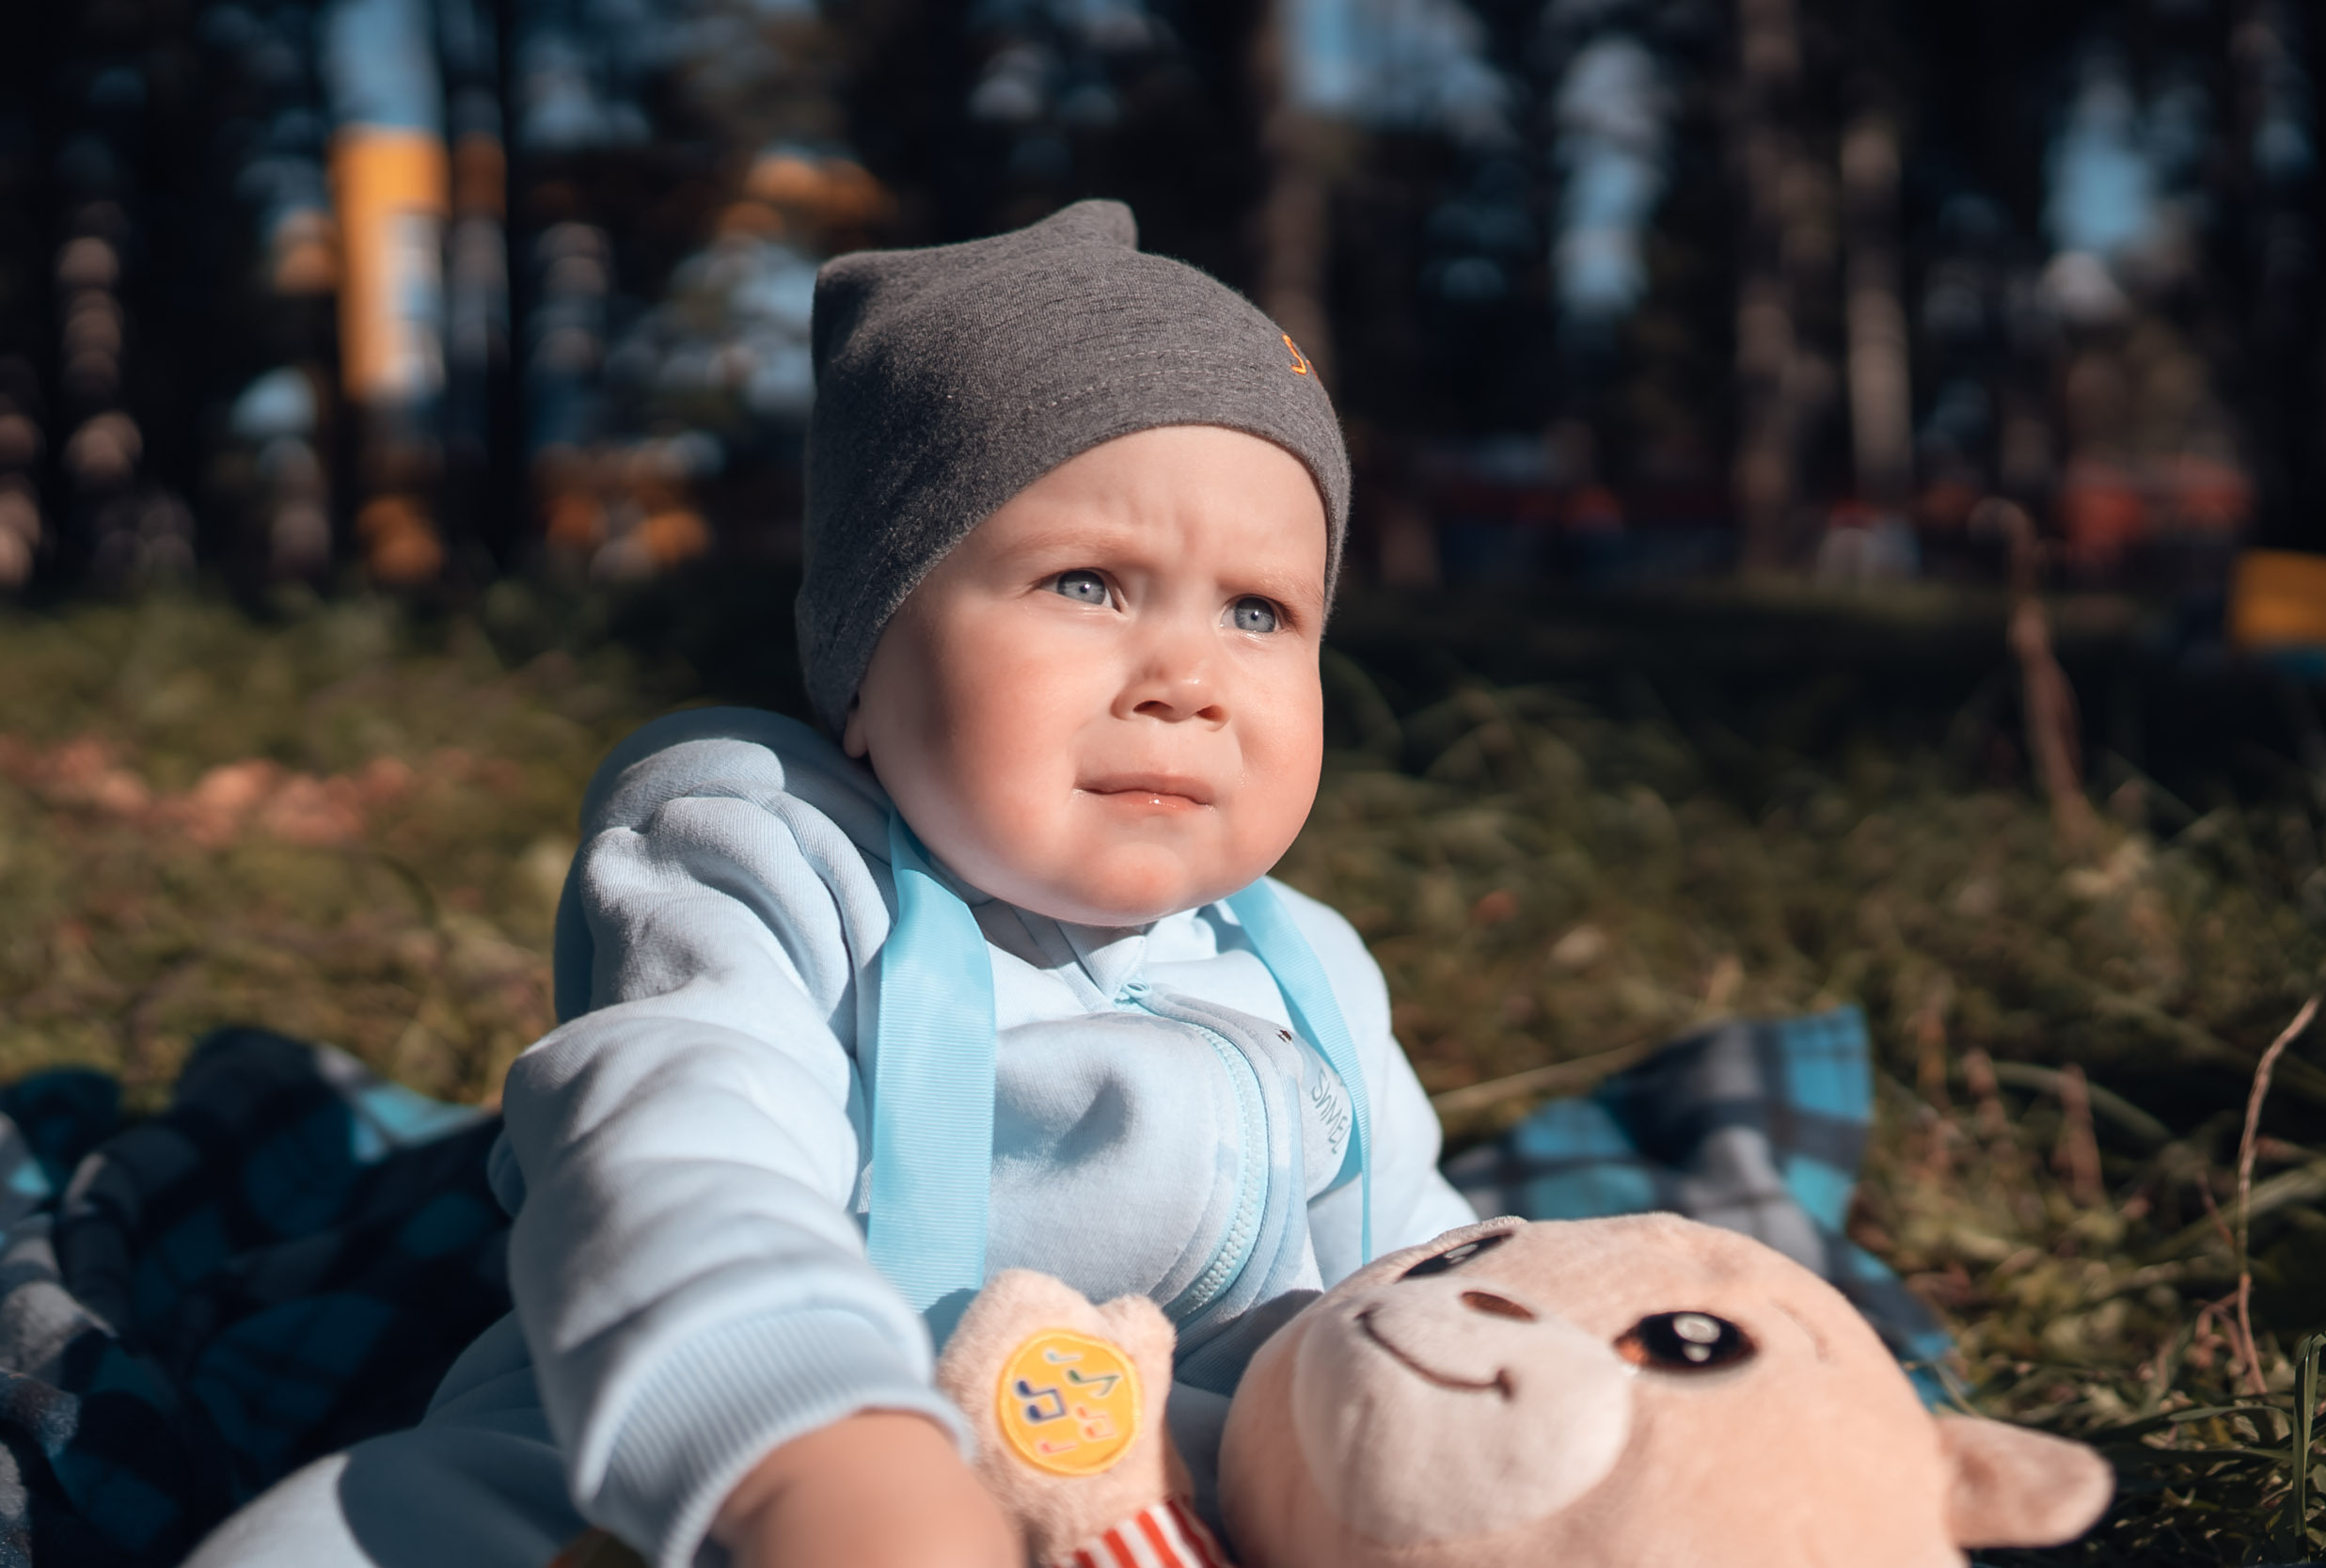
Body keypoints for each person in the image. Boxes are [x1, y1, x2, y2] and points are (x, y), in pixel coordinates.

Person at [188, 198, 1473, 1568]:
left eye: (1259, 611)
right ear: (868, 657)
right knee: (348, 1537)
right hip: (734, 1470)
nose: (1188, 680)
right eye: (1090, 585)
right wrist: (818, 1462)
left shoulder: (1310, 970)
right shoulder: (769, 864)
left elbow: (1416, 1267)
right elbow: (675, 1146)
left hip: (1175, 1475)